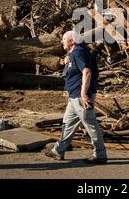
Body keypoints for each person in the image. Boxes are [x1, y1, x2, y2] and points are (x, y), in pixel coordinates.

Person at [44, 30, 107, 164]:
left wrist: (84, 94)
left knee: (91, 125)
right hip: (74, 97)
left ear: (72, 41)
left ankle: (100, 154)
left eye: (64, 39)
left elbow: (87, 72)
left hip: (81, 97)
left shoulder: (78, 53)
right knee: (68, 124)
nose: (62, 41)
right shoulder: (74, 53)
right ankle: (58, 151)